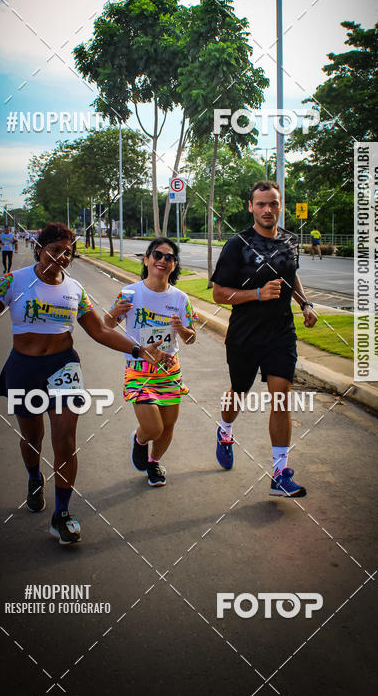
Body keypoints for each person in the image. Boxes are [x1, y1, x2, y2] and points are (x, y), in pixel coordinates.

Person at [0, 222, 172, 545]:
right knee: (32, 438)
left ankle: (61, 514)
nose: (61, 257)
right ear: (40, 248)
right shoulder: (14, 281)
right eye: (55, 250)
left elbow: (100, 331)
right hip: (24, 368)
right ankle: (35, 477)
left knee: (65, 440)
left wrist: (138, 350)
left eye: (67, 252)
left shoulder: (75, 290)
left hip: (63, 367)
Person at [211, 182, 317, 498]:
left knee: (281, 395)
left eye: (273, 204)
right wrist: (256, 294)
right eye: (261, 204)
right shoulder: (237, 244)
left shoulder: (290, 240)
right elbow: (218, 293)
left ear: (280, 205)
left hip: (281, 332)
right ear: (251, 207)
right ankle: (225, 430)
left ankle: (279, 473)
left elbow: (291, 274)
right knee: (239, 393)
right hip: (245, 334)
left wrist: (305, 303)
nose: (267, 210)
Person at [104, 237, 197, 488]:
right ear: (146, 259)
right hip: (139, 370)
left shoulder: (180, 298)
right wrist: (113, 313)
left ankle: (154, 463)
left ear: (174, 265)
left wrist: (182, 329)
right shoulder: (131, 293)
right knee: (153, 427)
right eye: (158, 255)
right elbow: (108, 325)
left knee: (167, 427)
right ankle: (140, 440)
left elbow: (190, 338)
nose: (163, 261)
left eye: (169, 257)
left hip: (169, 370)